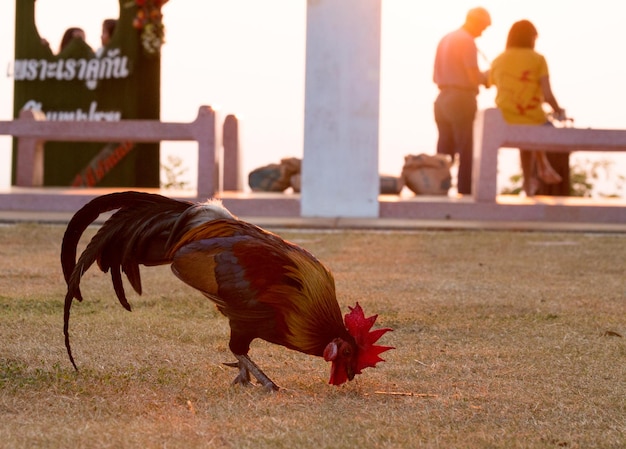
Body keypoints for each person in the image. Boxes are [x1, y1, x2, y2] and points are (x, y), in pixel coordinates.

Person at [487, 20, 568, 196]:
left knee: (528, 135)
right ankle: (543, 167)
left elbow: (488, 83)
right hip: (532, 119)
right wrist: (559, 111)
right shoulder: (538, 59)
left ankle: (528, 181)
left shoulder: (498, 60)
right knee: (539, 127)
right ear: (531, 38)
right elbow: (547, 94)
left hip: (504, 119)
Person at [433, 7, 491, 195]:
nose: (482, 32)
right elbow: (473, 77)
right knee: (466, 149)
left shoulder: (446, 38)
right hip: (461, 98)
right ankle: (465, 193)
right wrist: (488, 78)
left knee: (444, 150)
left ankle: (438, 190)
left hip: (442, 99)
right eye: (483, 27)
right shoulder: (466, 41)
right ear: (475, 22)